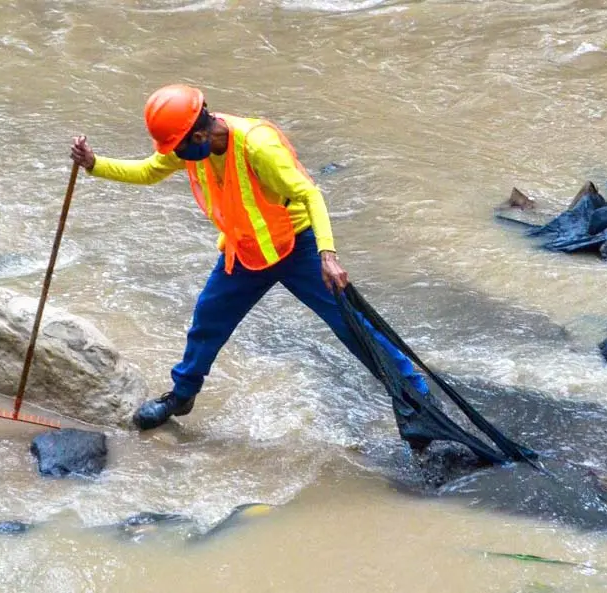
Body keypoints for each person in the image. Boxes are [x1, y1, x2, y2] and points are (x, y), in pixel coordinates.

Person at [71, 83, 428, 430]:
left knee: (352, 327)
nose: (173, 155)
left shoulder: (258, 146)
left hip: (296, 248)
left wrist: (327, 254)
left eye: (176, 147)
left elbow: (310, 195)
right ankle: (181, 396)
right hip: (244, 252)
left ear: (198, 136)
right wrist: (94, 163)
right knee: (207, 321)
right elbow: (150, 170)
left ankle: (417, 397)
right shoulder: (190, 141)